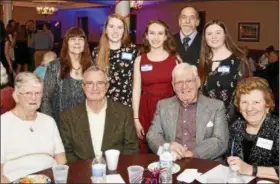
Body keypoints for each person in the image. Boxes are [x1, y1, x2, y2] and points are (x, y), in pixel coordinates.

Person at [146, 63, 229, 160]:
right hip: (173, 161)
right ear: (173, 86)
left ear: (198, 82)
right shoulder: (163, 106)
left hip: (205, 163)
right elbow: (152, 135)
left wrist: (191, 154)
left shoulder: (216, 107)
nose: (184, 87)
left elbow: (220, 141)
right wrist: (167, 147)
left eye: (189, 81)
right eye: (179, 82)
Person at [60, 66, 139, 164]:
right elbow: (67, 152)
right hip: (82, 173)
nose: (95, 88)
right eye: (89, 83)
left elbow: (131, 149)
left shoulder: (124, 113)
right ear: (83, 87)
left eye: (100, 83)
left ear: (107, 87)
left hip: (115, 172)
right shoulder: (68, 117)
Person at [0, 72, 66, 183]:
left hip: (50, 180)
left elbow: (61, 160)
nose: (34, 98)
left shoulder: (48, 121)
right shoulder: (3, 123)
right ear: (16, 96)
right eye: (28, 93)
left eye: (38, 93)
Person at [133, 20, 180, 153]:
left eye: (160, 33)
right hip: (146, 109)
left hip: (169, 109)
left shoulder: (174, 60)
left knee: (169, 149)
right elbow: (136, 90)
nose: (156, 37)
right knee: (146, 150)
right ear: (146, 36)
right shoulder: (140, 60)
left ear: (166, 36)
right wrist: (136, 119)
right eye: (152, 33)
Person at [198, 20, 251, 124]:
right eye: (209, 34)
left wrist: (223, 121)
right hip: (205, 121)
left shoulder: (238, 60)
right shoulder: (202, 62)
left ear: (225, 35)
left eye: (218, 32)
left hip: (232, 121)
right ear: (205, 38)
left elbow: (244, 94)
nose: (214, 36)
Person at [227, 77, 279, 180]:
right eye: (244, 102)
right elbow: (230, 156)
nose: (249, 108)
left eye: (256, 102)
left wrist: (251, 170)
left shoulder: (276, 128)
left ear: (267, 105)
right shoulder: (236, 126)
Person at [41, 27, 92, 127]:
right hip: (60, 124)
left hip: (85, 125)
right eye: (73, 39)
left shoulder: (91, 67)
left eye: (80, 39)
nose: (77, 43)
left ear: (85, 43)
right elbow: (45, 98)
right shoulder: (54, 66)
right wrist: (49, 125)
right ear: (66, 43)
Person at [92, 13, 138, 106]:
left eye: (119, 27)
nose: (115, 31)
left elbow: (137, 84)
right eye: (111, 26)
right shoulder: (96, 52)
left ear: (124, 31)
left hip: (126, 105)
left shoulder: (132, 51)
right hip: (102, 105)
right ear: (105, 30)